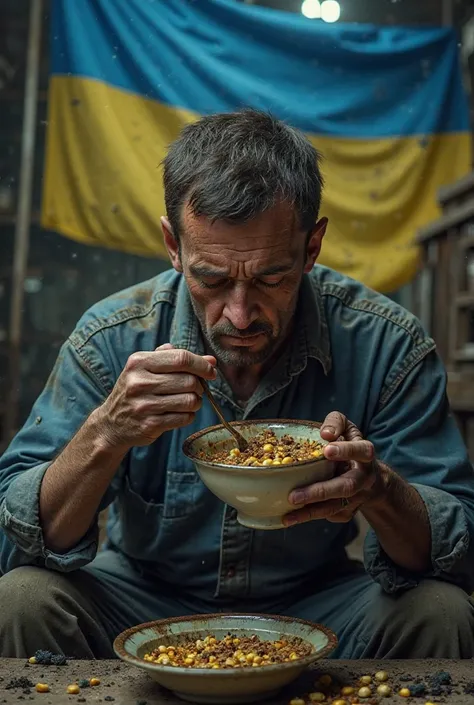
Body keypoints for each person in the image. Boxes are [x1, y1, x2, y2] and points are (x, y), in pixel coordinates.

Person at [1, 109, 474, 660]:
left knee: (440, 613)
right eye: (213, 279)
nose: (241, 314)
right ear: (173, 245)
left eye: (272, 278)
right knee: (21, 600)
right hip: (141, 598)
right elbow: (16, 541)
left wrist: (379, 489)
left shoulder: (385, 344)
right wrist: (105, 434)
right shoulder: (111, 339)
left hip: (317, 603)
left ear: (312, 247)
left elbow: (457, 550)